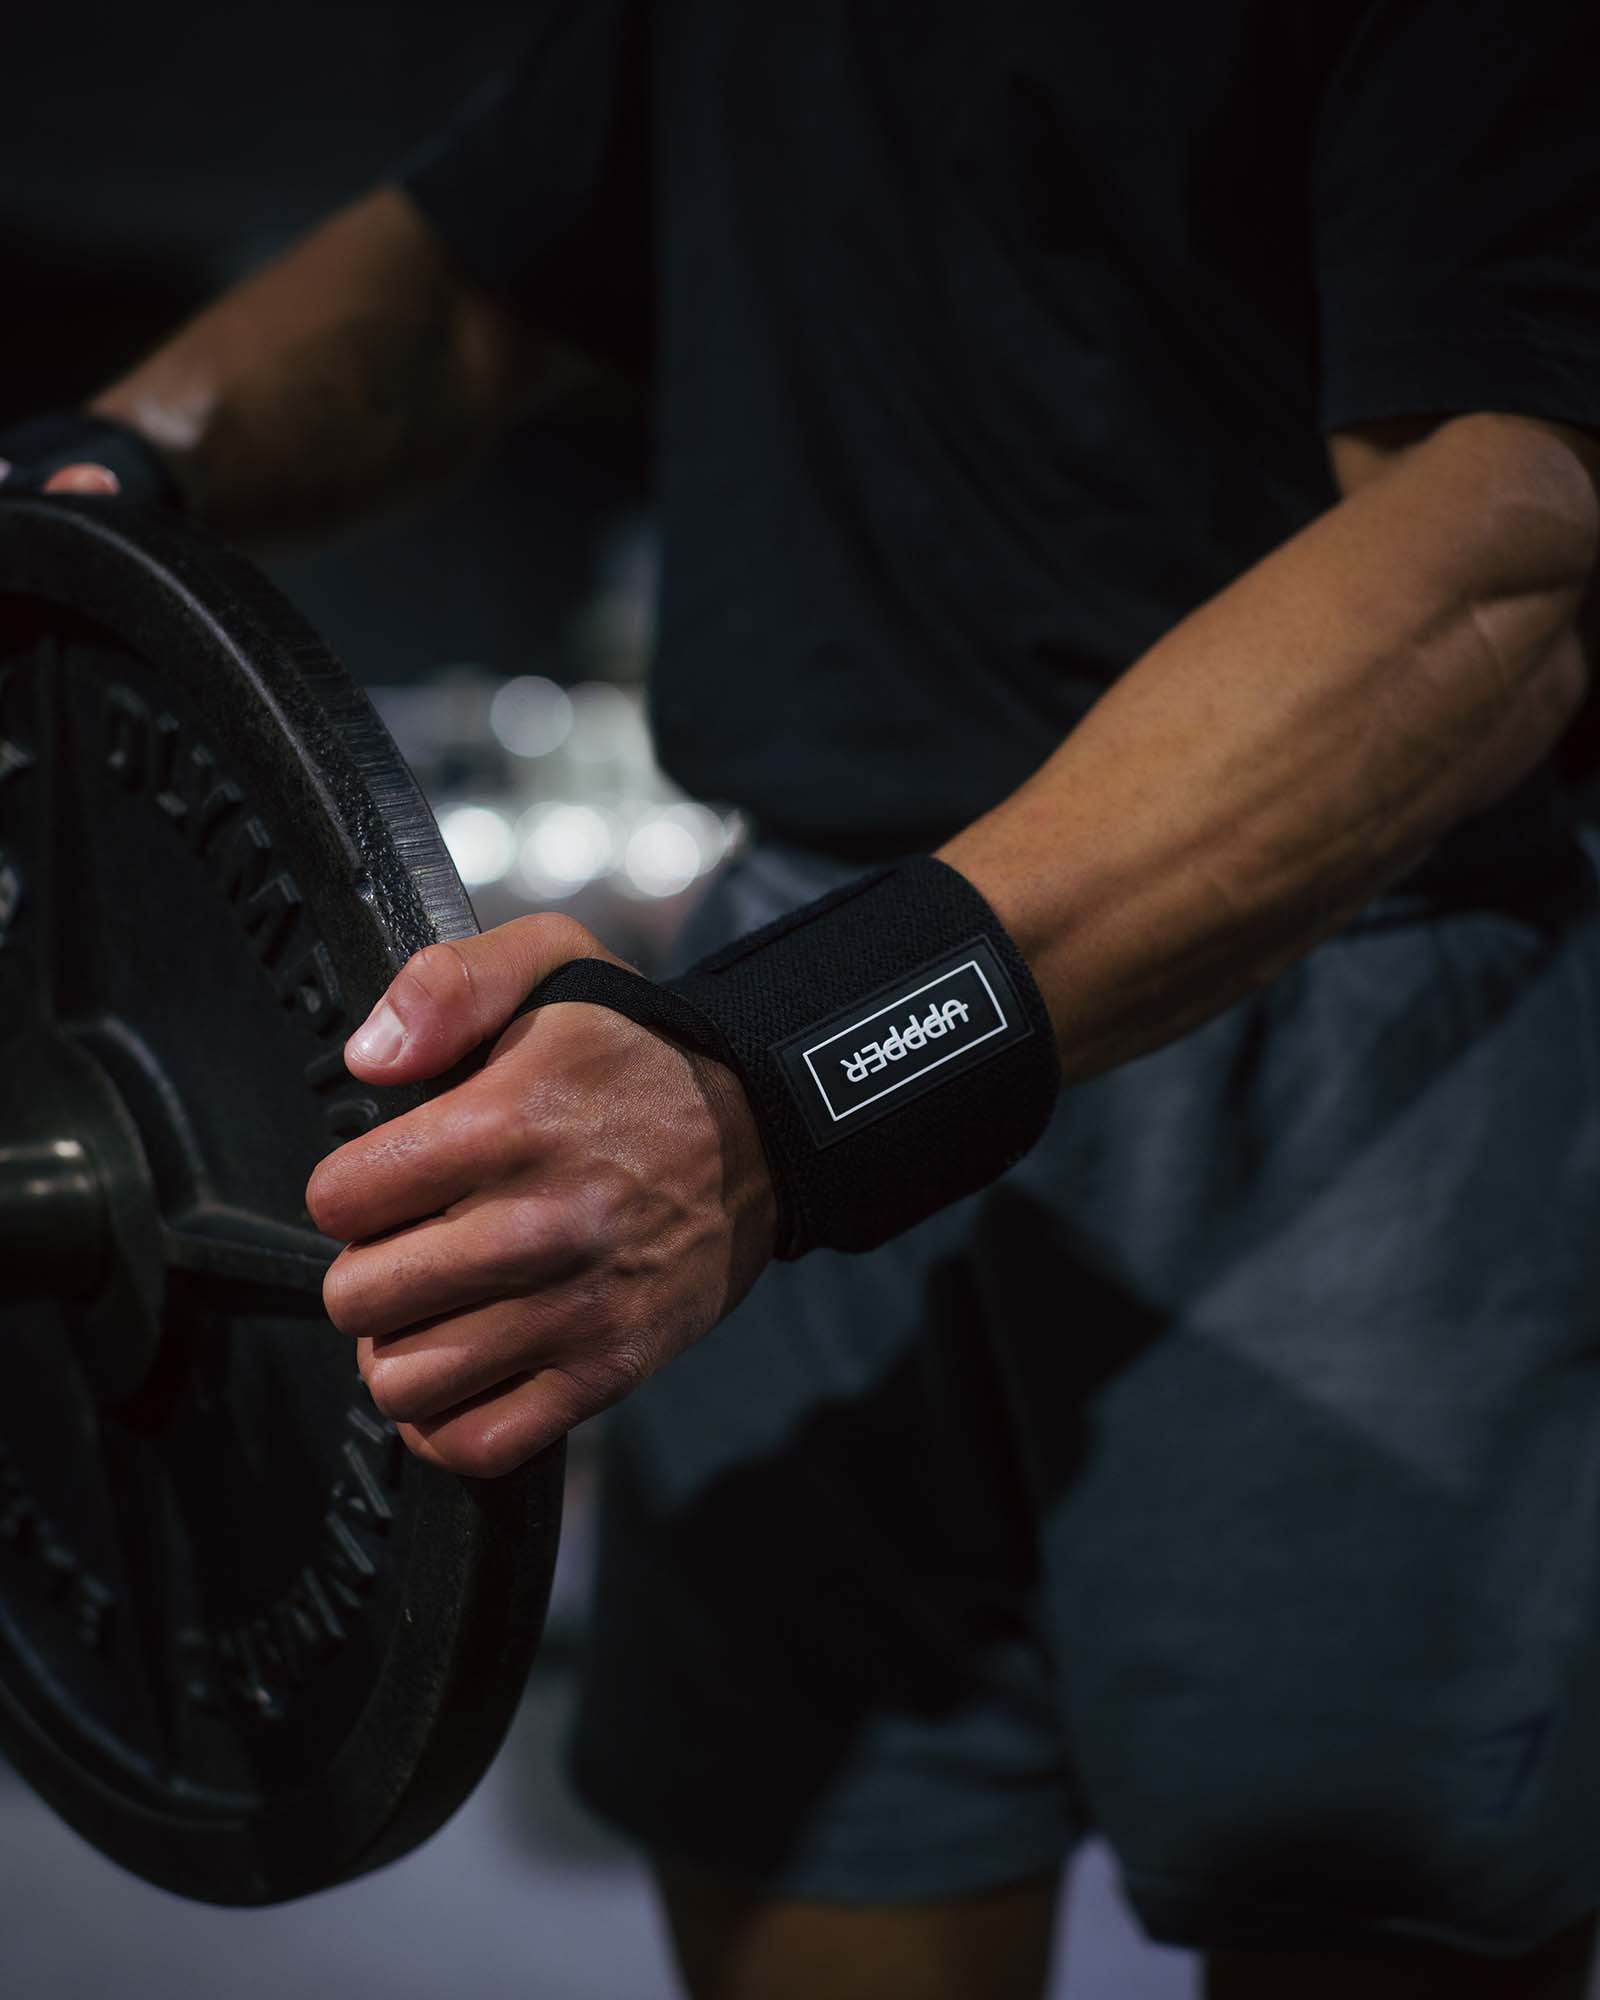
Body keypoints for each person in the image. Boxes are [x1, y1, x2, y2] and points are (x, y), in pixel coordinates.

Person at [7, 3, 1600, 1993]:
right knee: (809, 1870)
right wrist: (120, 464)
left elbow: (1497, 546)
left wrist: (792, 1077)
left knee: (1372, 1931)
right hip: (783, 980)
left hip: (1312, 1003)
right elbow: (486, 271)